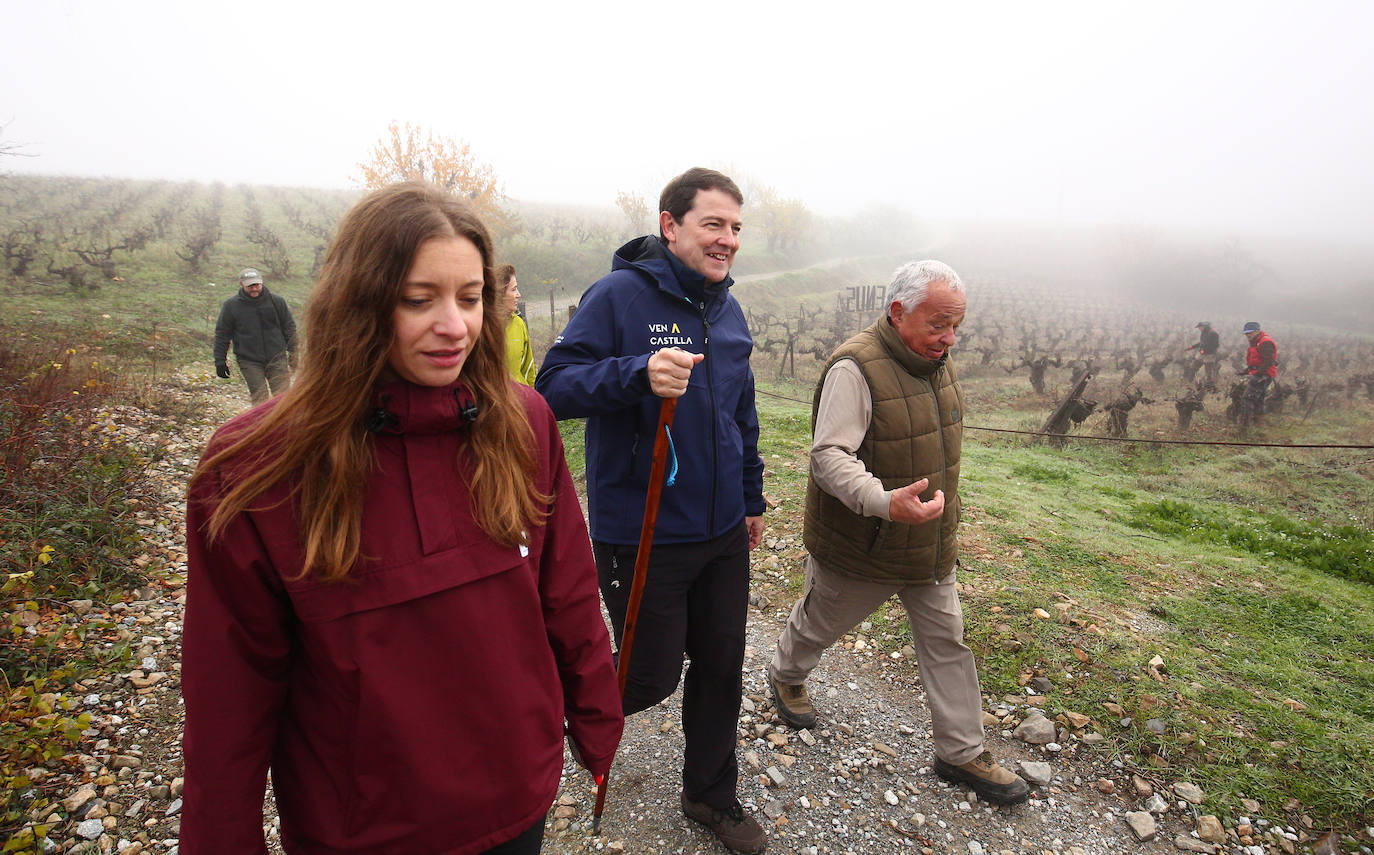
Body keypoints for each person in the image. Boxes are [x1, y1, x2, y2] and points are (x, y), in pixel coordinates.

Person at [181, 182, 623, 854]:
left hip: (516, 798)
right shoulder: (257, 467)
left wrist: (597, 719)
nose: (455, 325)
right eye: (419, 299)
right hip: (365, 830)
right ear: (358, 303)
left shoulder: (522, 421)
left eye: (470, 298)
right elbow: (230, 692)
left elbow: (567, 588)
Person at [535, 167, 767, 854]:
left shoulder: (728, 309)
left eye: (735, 228)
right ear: (670, 225)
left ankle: (709, 794)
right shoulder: (618, 296)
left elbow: (741, 413)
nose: (727, 240)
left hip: (721, 530)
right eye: (713, 224)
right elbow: (551, 388)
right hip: (644, 531)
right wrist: (636, 372)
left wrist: (750, 497)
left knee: (721, 666)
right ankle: (534, 718)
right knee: (648, 674)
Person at [766, 260, 1031, 807]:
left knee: (947, 640)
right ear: (897, 311)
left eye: (956, 325)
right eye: (938, 324)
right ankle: (786, 673)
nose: (950, 337)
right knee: (821, 621)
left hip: (929, 543)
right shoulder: (855, 369)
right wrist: (885, 503)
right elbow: (828, 457)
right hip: (864, 541)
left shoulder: (937, 363)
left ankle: (960, 750)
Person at [213, 267, 299, 405]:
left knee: (283, 399)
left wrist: (294, 354)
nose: (254, 289)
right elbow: (222, 334)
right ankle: (263, 420)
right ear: (241, 284)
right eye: (250, 286)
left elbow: (289, 329)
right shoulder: (231, 306)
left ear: (262, 282)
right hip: (249, 360)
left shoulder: (277, 302)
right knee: (260, 399)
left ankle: (284, 420)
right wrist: (220, 361)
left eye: (256, 285)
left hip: (277, 358)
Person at [498, 264, 538, 384]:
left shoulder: (519, 324)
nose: (518, 294)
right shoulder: (481, 327)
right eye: (514, 289)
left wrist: (531, 393)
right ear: (500, 293)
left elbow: (528, 369)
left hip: (520, 394)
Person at [1241, 320, 1278, 425]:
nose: (1248, 335)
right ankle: (1258, 423)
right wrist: (1246, 371)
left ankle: (1245, 425)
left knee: (1248, 398)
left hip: (1263, 375)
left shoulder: (1265, 342)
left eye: (1250, 332)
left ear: (1257, 331)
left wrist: (1258, 374)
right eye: (1246, 333)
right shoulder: (1256, 341)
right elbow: (1256, 360)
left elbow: (1268, 361)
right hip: (1260, 373)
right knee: (1258, 399)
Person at [1185, 320, 1221, 390]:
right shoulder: (1203, 333)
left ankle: (1210, 388)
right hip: (1201, 353)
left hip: (1209, 355)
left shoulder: (1213, 333)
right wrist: (1191, 347)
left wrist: (1204, 350)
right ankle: (1189, 381)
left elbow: (1215, 346)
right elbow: (1201, 343)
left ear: (1204, 326)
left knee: (1208, 372)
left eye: (1200, 327)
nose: (1199, 328)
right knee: (1193, 367)